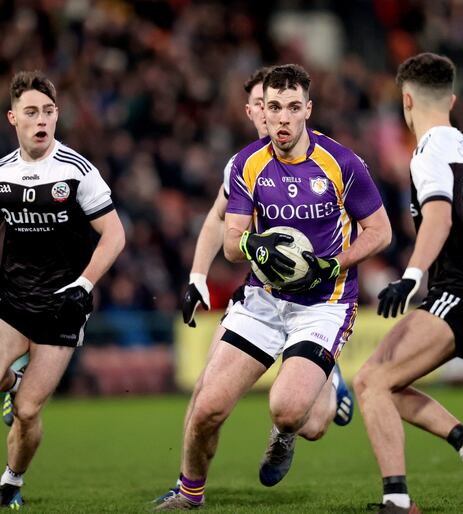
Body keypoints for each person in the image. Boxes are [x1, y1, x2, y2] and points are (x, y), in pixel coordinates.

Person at [155, 64, 392, 510]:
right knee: (207, 406)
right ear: (260, 110)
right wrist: (256, 246)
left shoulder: (342, 163)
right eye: (274, 108)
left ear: (308, 110)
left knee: (292, 413)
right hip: (263, 300)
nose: (281, 118)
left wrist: (330, 265)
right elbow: (230, 242)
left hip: (324, 303)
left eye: (291, 108)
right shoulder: (248, 163)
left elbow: (381, 232)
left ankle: (290, 424)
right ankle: (189, 495)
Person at [0, 70, 125, 509]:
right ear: (12, 118)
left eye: (49, 112)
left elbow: (114, 235)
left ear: (57, 116)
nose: (42, 120)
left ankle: (11, 482)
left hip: (63, 306)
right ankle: (14, 381)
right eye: (32, 112)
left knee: (29, 413)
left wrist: (84, 284)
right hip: (15, 302)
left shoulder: (78, 171)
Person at [353, 53, 463, 513]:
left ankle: (397, 501)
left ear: (406, 101)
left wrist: (411, 276)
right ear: (451, 99)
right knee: (384, 382)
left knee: (371, 381)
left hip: (462, 291)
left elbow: (439, 216)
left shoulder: (428, 151)